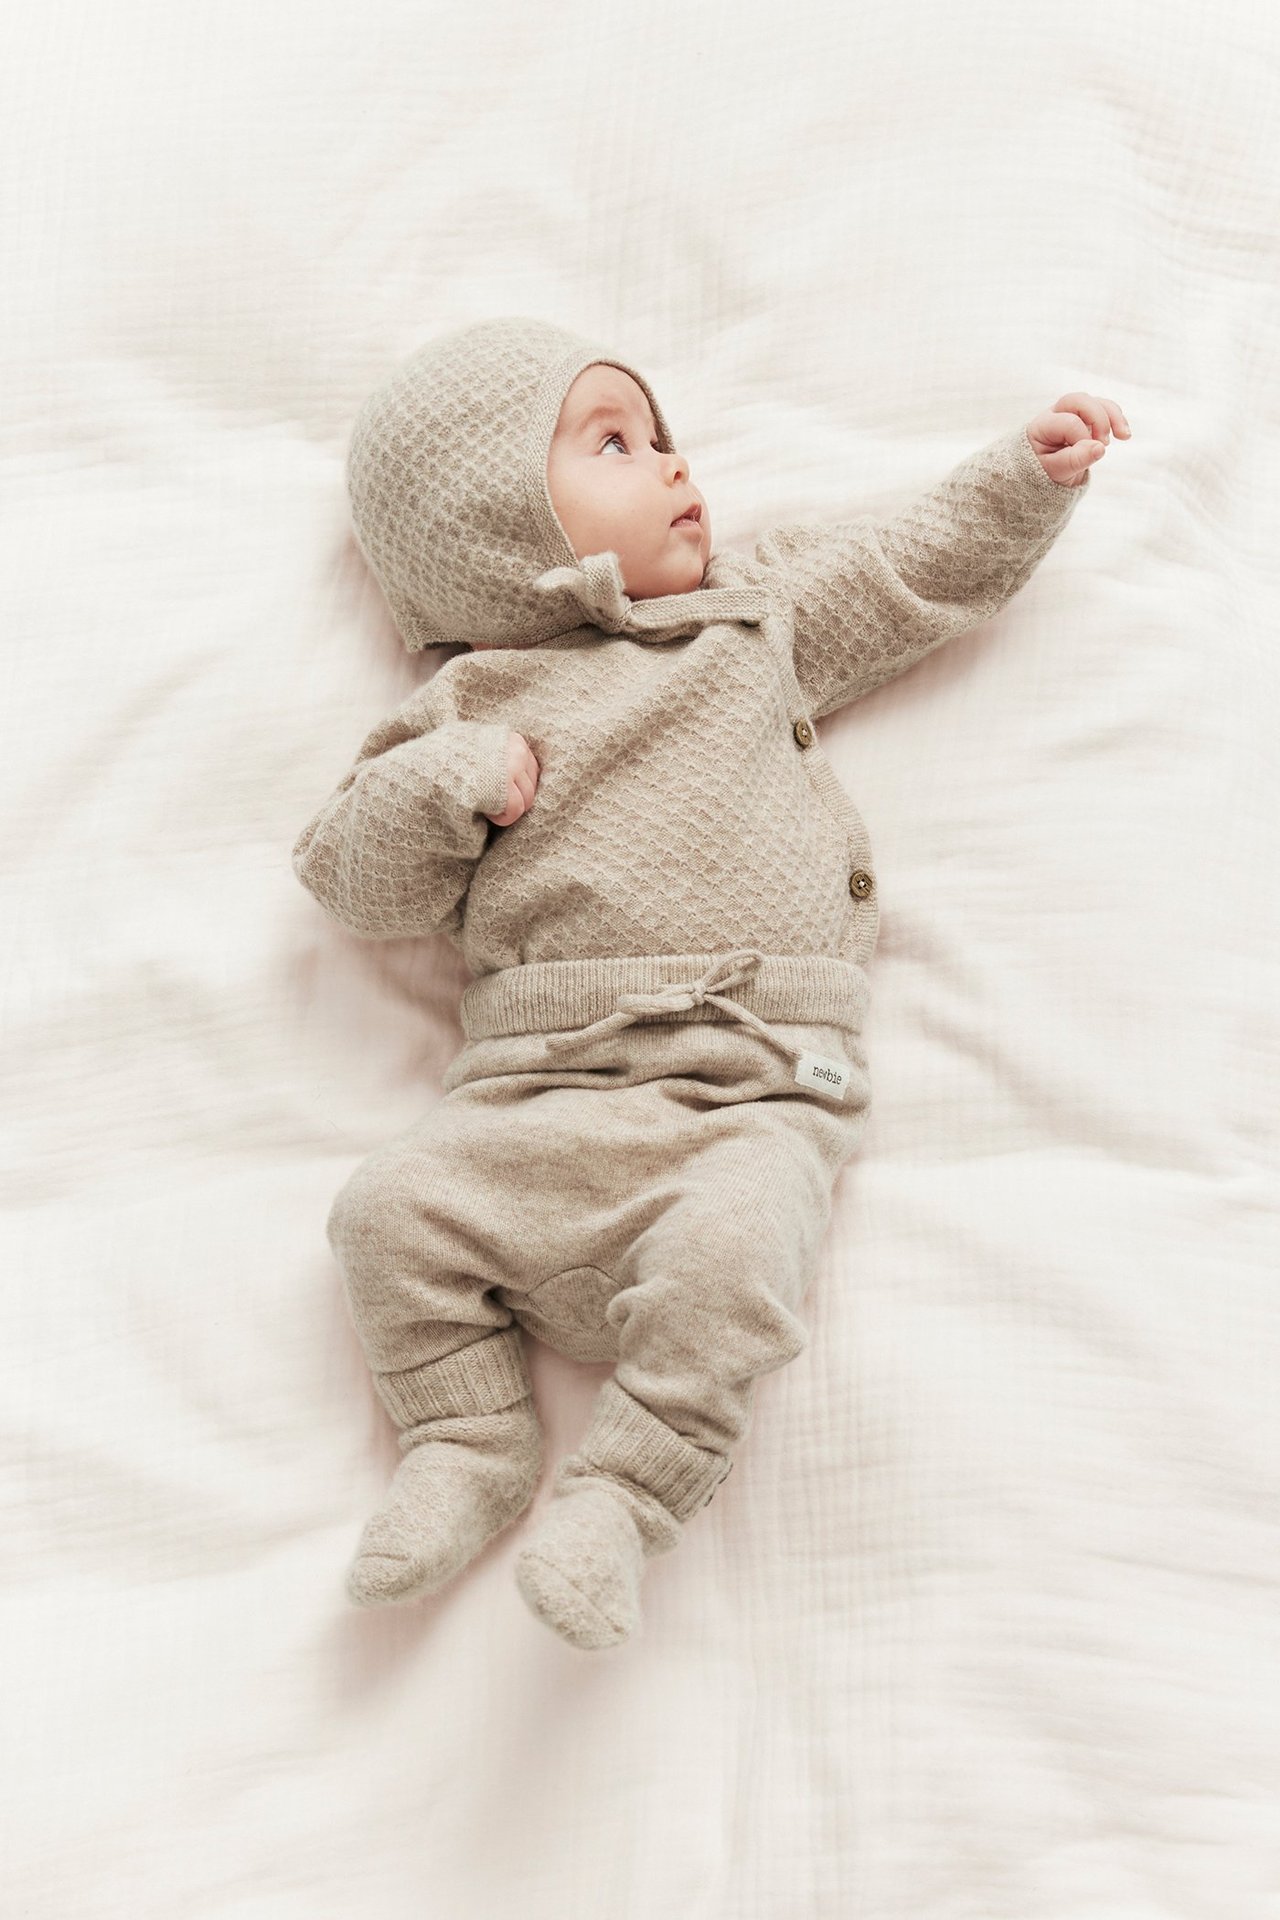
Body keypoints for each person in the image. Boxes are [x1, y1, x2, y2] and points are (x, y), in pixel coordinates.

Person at [292, 316, 1129, 1650]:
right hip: (532, 1094)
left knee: (735, 1259)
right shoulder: (466, 705)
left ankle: (625, 1498)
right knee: (382, 1215)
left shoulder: (744, 617)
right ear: (490, 521)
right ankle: (467, 1437)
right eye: (616, 444)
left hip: (752, 1082)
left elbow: (903, 570)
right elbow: (355, 882)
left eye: (665, 434)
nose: (676, 464)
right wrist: (446, 785)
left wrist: (1022, 480)